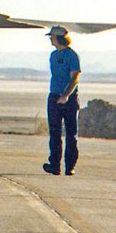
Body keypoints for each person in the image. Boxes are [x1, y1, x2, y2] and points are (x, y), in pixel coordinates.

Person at [43, 25, 80, 176]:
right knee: (54, 133)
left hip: (69, 99)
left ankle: (69, 166)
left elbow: (75, 77)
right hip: (54, 96)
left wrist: (66, 95)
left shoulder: (72, 56)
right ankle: (54, 165)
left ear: (59, 38)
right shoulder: (52, 55)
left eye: (52, 37)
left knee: (71, 134)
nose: (51, 40)